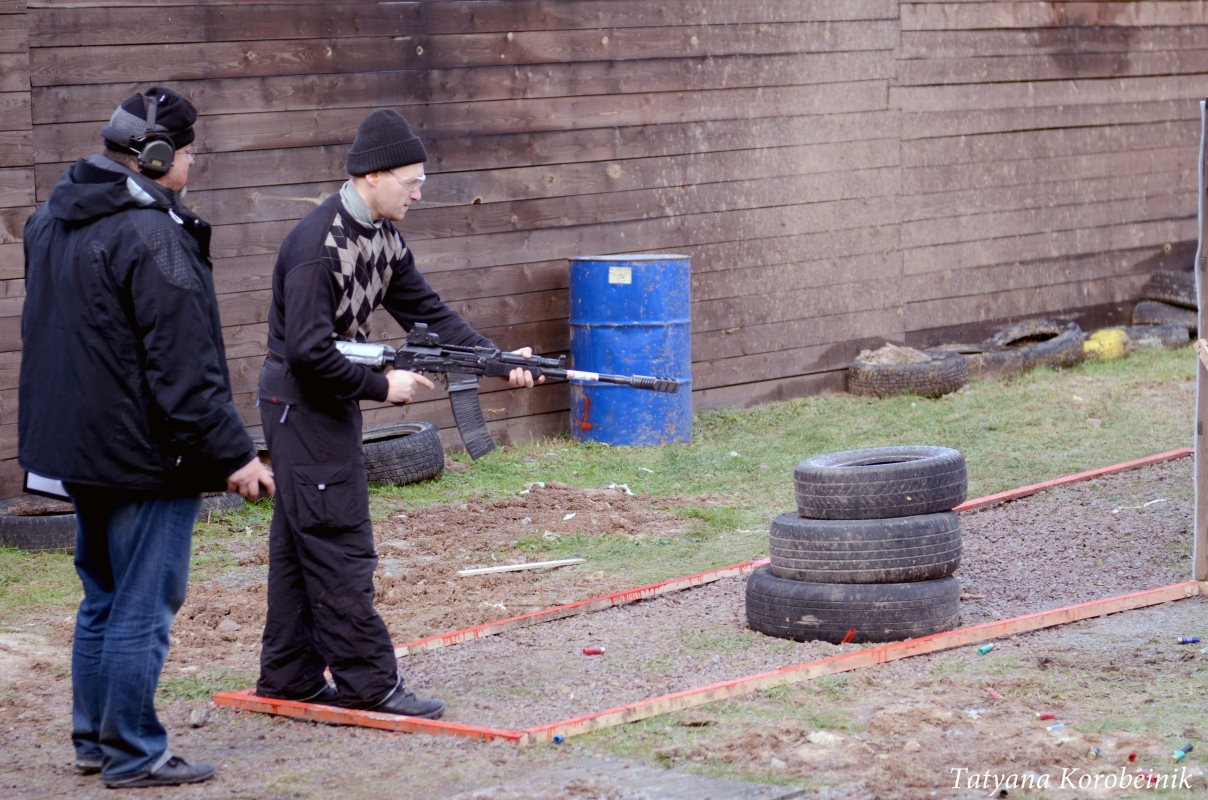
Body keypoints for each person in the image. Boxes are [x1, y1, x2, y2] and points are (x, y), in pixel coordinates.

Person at [19, 87, 274, 788]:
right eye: (188, 152)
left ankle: (94, 741)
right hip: (144, 454)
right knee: (141, 602)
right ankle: (133, 751)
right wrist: (234, 454)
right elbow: (185, 365)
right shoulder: (154, 235)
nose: (192, 164)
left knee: (103, 595)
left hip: (77, 448)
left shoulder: (49, 219)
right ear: (158, 156)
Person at [255, 108, 541, 718]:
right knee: (339, 543)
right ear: (373, 176)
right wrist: (382, 388)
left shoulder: (383, 236)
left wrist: (497, 360)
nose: (418, 194)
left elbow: (428, 314)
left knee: (302, 543)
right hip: (301, 404)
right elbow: (307, 352)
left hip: (320, 405)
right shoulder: (317, 247)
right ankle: (370, 685)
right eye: (411, 182)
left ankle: (289, 675)